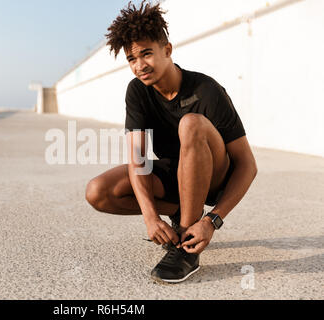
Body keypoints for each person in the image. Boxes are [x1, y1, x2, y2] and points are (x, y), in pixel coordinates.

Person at [85, 0, 258, 283]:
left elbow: (247, 165)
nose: (140, 65)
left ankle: (187, 246)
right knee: (98, 191)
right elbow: (138, 158)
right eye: (131, 59)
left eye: (146, 54)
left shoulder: (206, 90)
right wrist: (151, 218)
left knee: (190, 123)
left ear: (167, 50)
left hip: (213, 177)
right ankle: (179, 212)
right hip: (171, 175)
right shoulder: (138, 92)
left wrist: (212, 220)